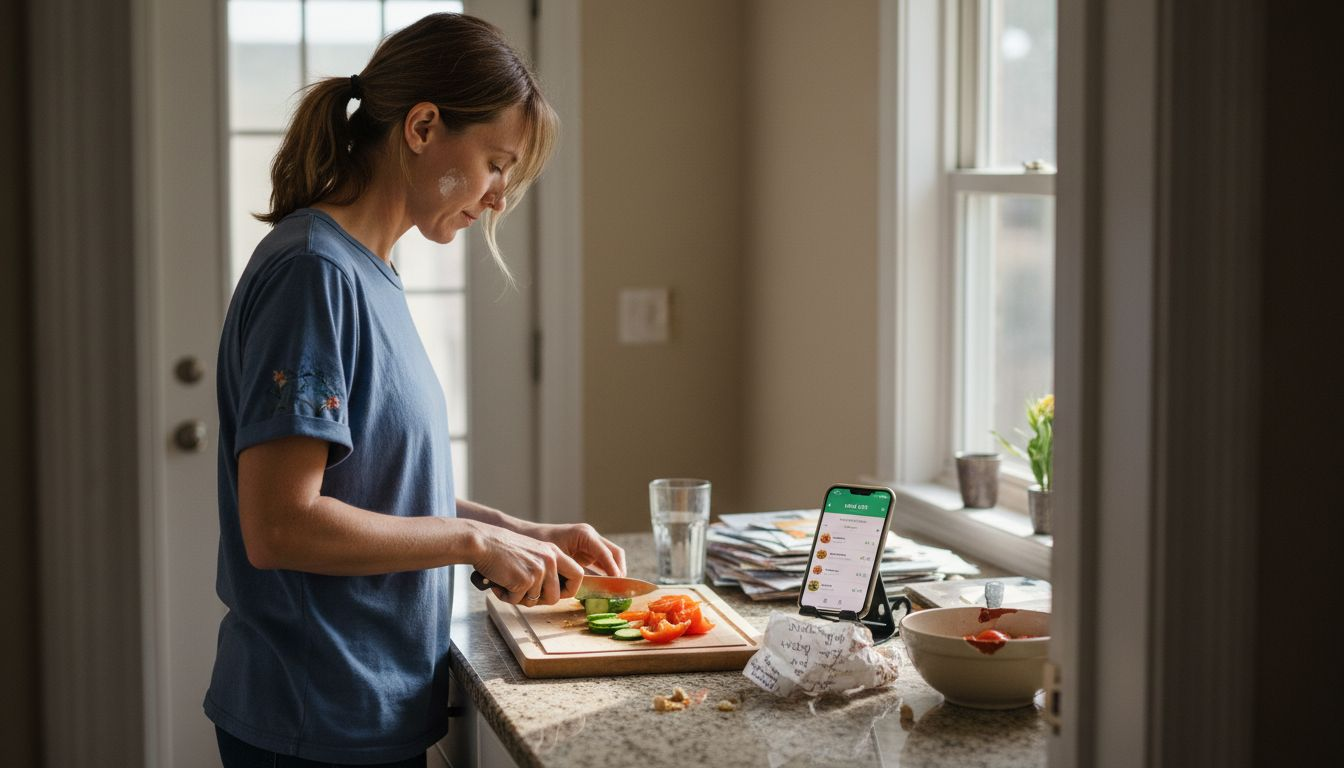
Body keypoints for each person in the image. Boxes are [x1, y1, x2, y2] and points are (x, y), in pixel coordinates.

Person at [204, 14, 626, 767]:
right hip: (316, 717)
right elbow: (279, 526)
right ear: (424, 126)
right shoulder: (315, 275)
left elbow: (373, 487)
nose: (499, 197)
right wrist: (475, 542)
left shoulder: (370, 274)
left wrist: (518, 532)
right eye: (496, 162)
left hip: (368, 704)